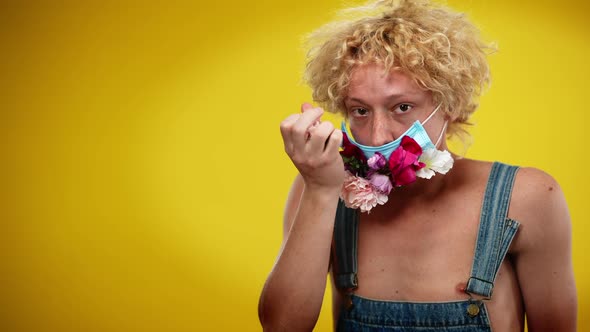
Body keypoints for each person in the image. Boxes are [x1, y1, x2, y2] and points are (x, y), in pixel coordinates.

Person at [258, 0, 577, 331]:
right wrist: (321, 191)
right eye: (360, 111)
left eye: (402, 107)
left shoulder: (526, 197)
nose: (379, 136)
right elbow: (281, 326)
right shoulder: (320, 187)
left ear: (449, 103)